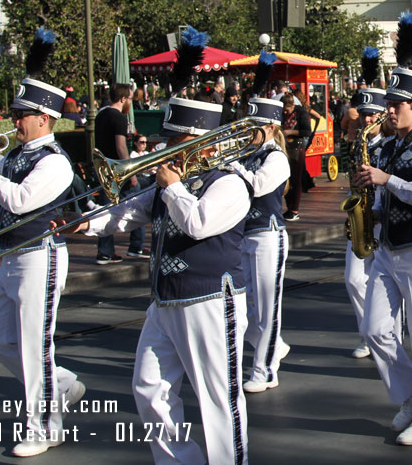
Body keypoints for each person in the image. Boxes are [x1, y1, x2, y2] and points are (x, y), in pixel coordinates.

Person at [69, 94, 253, 464]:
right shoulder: (170, 184)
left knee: (217, 399)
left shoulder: (230, 183)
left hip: (211, 300)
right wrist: (86, 223)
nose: (163, 148)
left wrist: (171, 188)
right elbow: (128, 213)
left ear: (202, 142)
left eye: (174, 140)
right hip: (165, 300)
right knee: (149, 388)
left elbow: (198, 223)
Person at [0, 50, 86, 457]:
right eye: (15, 114)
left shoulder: (55, 162)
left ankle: (44, 427)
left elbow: (19, 200)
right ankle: (62, 384)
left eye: (22, 115)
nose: (15, 122)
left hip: (40, 255)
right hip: (11, 255)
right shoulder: (15, 154)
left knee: (35, 346)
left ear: (44, 119)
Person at [354, 12, 412, 446]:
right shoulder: (385, 145)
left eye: (397, 106)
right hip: (385, 249)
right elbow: (382, 193)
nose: (389, 111)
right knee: (375, 330)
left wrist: (387, 181)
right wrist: (368, 205)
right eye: (389, 105)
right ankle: (409, 396)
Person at [237, 92, 293, 393]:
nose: (249, 132)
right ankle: (275, 345)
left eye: (255, 125)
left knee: (268, 308)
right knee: (246, 310)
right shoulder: (247, 155)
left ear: (271, 127)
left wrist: (231, 167)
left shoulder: (277, 158)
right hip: (244, 234)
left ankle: (266, 370)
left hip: (268, 235)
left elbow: (257, 185)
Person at [343, 85, 389, 359]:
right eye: (363, 114)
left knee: (382, 282)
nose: (367, 120)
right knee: (354, 280)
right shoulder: (356, 145)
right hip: (362, 219)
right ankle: (368, 334)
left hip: (383, 220)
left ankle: (381, 333)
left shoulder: (391, 145)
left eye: (372, 115)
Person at [93, 83, 134, 264]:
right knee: (136, 200)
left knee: (104, 210)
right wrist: (131, 172)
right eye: (130, 99)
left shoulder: (101, 114)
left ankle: (105, 251)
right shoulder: (119, 117)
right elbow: (121, 146)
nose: (131, 103)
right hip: (117, 170)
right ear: (123, 98)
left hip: (103, 169)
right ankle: (137, 246)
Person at [281, 93, 311, 221]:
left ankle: (294, 209)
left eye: (287, 109)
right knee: (287, 179)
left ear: (293, 105)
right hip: (286, 147)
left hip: (297, 148)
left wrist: (291, 132)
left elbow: (306, 131)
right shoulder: (283, 114)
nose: (285, 112)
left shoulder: (301, 114)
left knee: (296, 180)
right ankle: (289, 207)